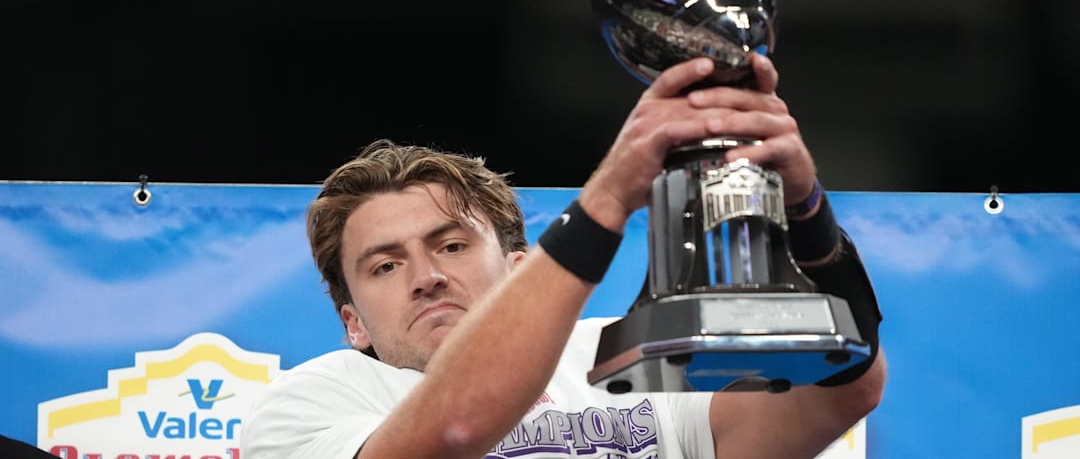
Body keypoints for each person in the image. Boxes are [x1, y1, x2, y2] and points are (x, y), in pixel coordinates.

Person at [240, 54, 887, 459]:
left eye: (453, 245)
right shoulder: (306, 407)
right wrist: (607, 197)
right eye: (385, 265)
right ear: (352, 321)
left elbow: (843, 392)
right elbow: (457, 432)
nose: (427, 276)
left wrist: (803, 207)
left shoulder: (622, 354)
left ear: (519, 269)